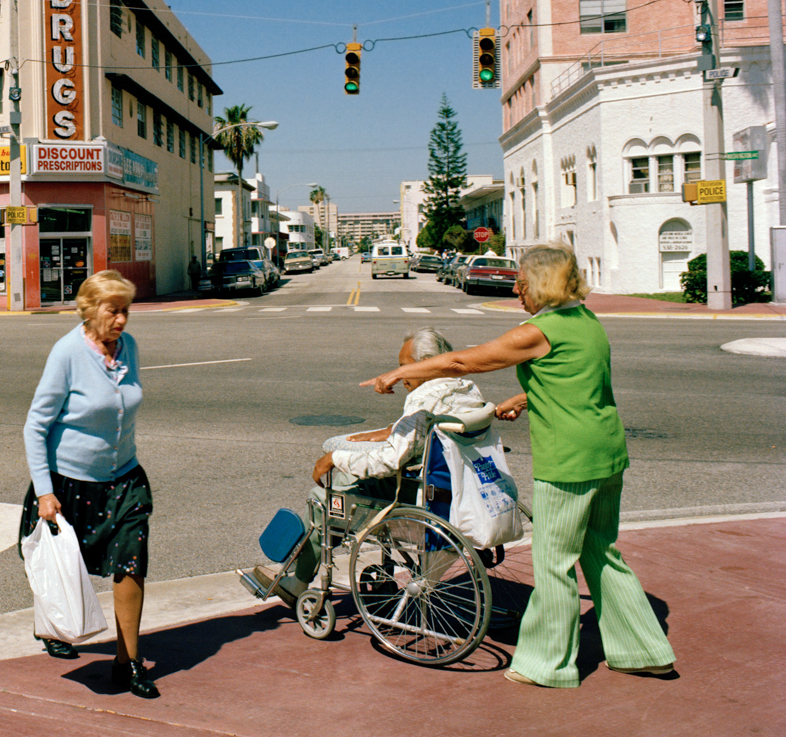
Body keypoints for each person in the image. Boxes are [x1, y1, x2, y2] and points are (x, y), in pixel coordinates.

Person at [362, 243, 675, 689]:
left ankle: (547, 665)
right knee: (601, 552)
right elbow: (580, 382)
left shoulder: (539, 331)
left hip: (568, 459)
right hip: (606, 451)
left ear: (541, 285)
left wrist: (395, 374)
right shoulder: (587, 323)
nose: (517, 293)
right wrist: (526, 399)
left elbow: (461, 361)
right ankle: (644, 650)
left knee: (554, 563)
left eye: (522, 284)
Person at [257, 329, 489, 605]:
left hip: (418, 502)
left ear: (425, 362)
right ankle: (301, 569)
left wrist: (335, 458)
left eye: (404, 367)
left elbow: (387, 461)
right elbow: (429, 430)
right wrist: (396, 428)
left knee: (320, 499)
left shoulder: (423, 397)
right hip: (460, 492)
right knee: (345, 481)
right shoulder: (467, 389)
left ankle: (298, 581)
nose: (400, 375)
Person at [19, 270, 158, 698]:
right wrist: (45, 491)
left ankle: (128, 661)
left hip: (125, 479)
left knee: (131, 563)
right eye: (113, 311)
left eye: (125, 311)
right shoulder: (66, 353)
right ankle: (55, 627)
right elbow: (35, 426)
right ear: (90, 310)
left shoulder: (129, 347)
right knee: (65, 567)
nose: (122, 320)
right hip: (71, 482)